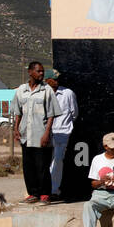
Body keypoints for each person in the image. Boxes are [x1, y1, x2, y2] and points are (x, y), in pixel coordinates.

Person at [9, 61, 59, 205]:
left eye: (42, 71)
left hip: (41, 134)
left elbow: (51, 114)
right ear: (30, 72)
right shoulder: (21, 90)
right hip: (26, 134)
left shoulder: (46, 90)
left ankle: (44, 194)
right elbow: (18, 112)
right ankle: (33, 193)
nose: (41, 74)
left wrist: (46, 133)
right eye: (38, 71)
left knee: (42, 165)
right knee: (28, 166)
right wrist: (16, 129)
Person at [45, 71, 78, 202]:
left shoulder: (67, 93)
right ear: (47, 80)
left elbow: (74, 113)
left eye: (57, 79)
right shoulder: (43, 94)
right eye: (53, 79)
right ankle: (44, 190)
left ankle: (54, 190)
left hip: (62, 132)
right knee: (46, 162)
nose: (56, 81)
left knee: (58, 161)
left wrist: (66, 126)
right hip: (45, 133)